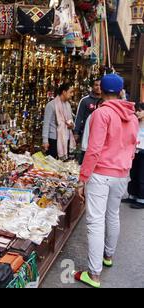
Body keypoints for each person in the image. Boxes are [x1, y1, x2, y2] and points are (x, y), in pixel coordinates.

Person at [75, 74, 139, 288]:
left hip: (101, 173)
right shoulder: (131, 116)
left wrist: (83, 177)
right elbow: (132, 146)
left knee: (95, 221)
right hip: (121, 174)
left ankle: (94, 275)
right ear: (121, 91)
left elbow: (93, 150)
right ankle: (108, 256)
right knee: (113, 215)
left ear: (100, 90)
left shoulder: (102, 114)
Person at [42, 83, 76, 159]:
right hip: (53, 139)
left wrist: (72, 125)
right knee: (51, 165)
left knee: (62, 165)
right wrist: (45, 141)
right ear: (64, 92)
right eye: (70, 92)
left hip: (65, 138)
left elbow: (71, 120)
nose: (72, 94)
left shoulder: (68, 105)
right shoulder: (51, 105)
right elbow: (46, 124)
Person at [74, 78, 102, 164]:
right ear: (92, 87)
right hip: (87, 133)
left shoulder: (106, 100)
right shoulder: (85, 100)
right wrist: (76, 132)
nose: (98, 87)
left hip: (101, 134)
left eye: (100, 85)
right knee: (85, 153)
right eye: (96, 85)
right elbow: (79, 116)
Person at [128, 102, 144, 209]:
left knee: (142, 176)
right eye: (136, 110)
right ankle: (133, 195)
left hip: (143, 152)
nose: (137, 112)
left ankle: (142, 199)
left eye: (140, 110)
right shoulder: (136, 122)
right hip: (136, 151)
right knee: (134, 174)